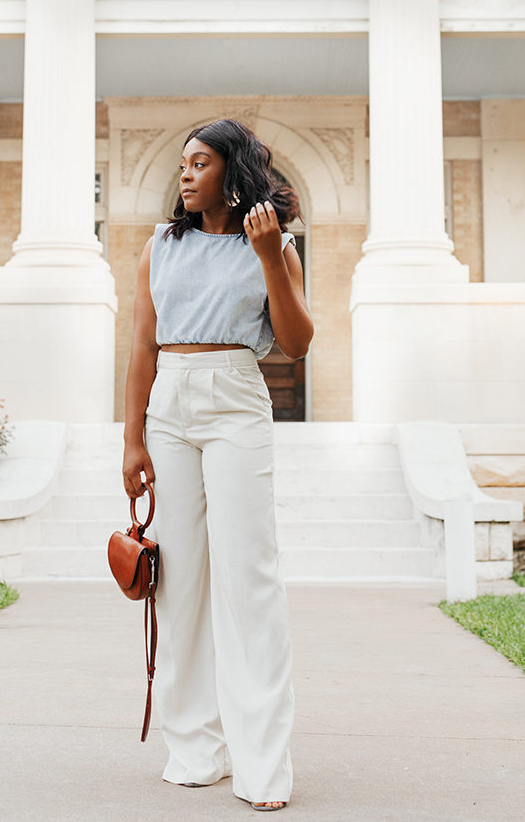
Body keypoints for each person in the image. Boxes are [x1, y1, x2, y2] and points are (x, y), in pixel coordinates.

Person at [122, 118, 313, 812]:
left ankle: (262, 764)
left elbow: (293, 344)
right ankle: (194, 750)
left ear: (231, 173)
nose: (184, 173)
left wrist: (269, 258)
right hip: (169, 400)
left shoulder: (274, 247)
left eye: (198, 162)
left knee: (248, 577)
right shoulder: (159, 246)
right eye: (181, 163)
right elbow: (142, 346)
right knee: (180, 581)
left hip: (235, 397)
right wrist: (131, 440)